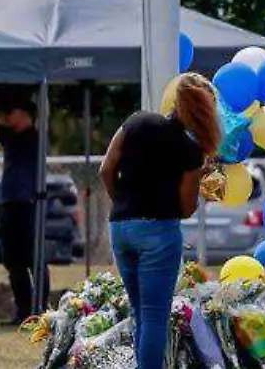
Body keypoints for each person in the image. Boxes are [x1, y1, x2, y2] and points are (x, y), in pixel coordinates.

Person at [102, 72, 221, 369]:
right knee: (155, 315)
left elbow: (106, 169)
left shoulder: (136, 122)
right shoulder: (190, 150)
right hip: (158, 233)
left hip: (120, 227)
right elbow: (185, 208)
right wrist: (199, 176)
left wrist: (124, 204)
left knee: (140, 312)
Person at [0, 84, 44, 326]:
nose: (9, 116)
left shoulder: (35, 137)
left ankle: (41, 310)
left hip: (27, 201)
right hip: (9, 201)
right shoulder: (9, 136)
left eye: (14, 112)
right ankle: (23, 310)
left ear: (27, 115)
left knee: (32, 257)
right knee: (13, 260)